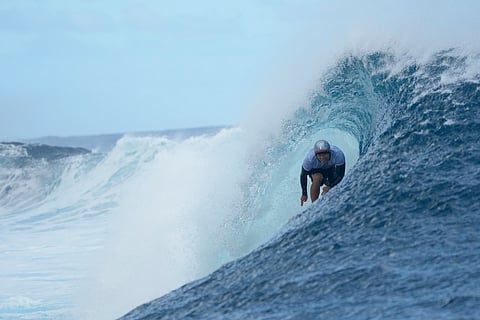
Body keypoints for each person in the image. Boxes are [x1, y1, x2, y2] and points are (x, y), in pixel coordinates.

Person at [300, 140, 346, 206]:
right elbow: (303, 175)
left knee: (332, 185)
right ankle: (314, 205)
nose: (322, 157)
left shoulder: (338, 154)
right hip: (315, 170)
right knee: (318, 177)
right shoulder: (310, 159)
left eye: (325, 154)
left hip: (329, 168)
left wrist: (330, 186)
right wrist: (304, 193)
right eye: (319, 155)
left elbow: (340, 175)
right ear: (316, 155)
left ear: (329, 152)